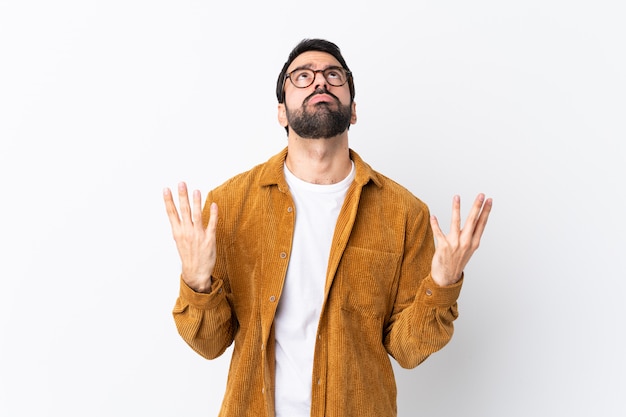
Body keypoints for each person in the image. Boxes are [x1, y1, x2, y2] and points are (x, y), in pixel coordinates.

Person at [163, 38, 492, 417]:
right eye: (302, 76)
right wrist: (196, 280)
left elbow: (407, 350)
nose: (320, 81)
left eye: (334, 75)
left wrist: (444, 283)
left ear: (353, 111)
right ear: (282, 113)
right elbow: (209, 344)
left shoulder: (404, 213)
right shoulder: (230, 206)